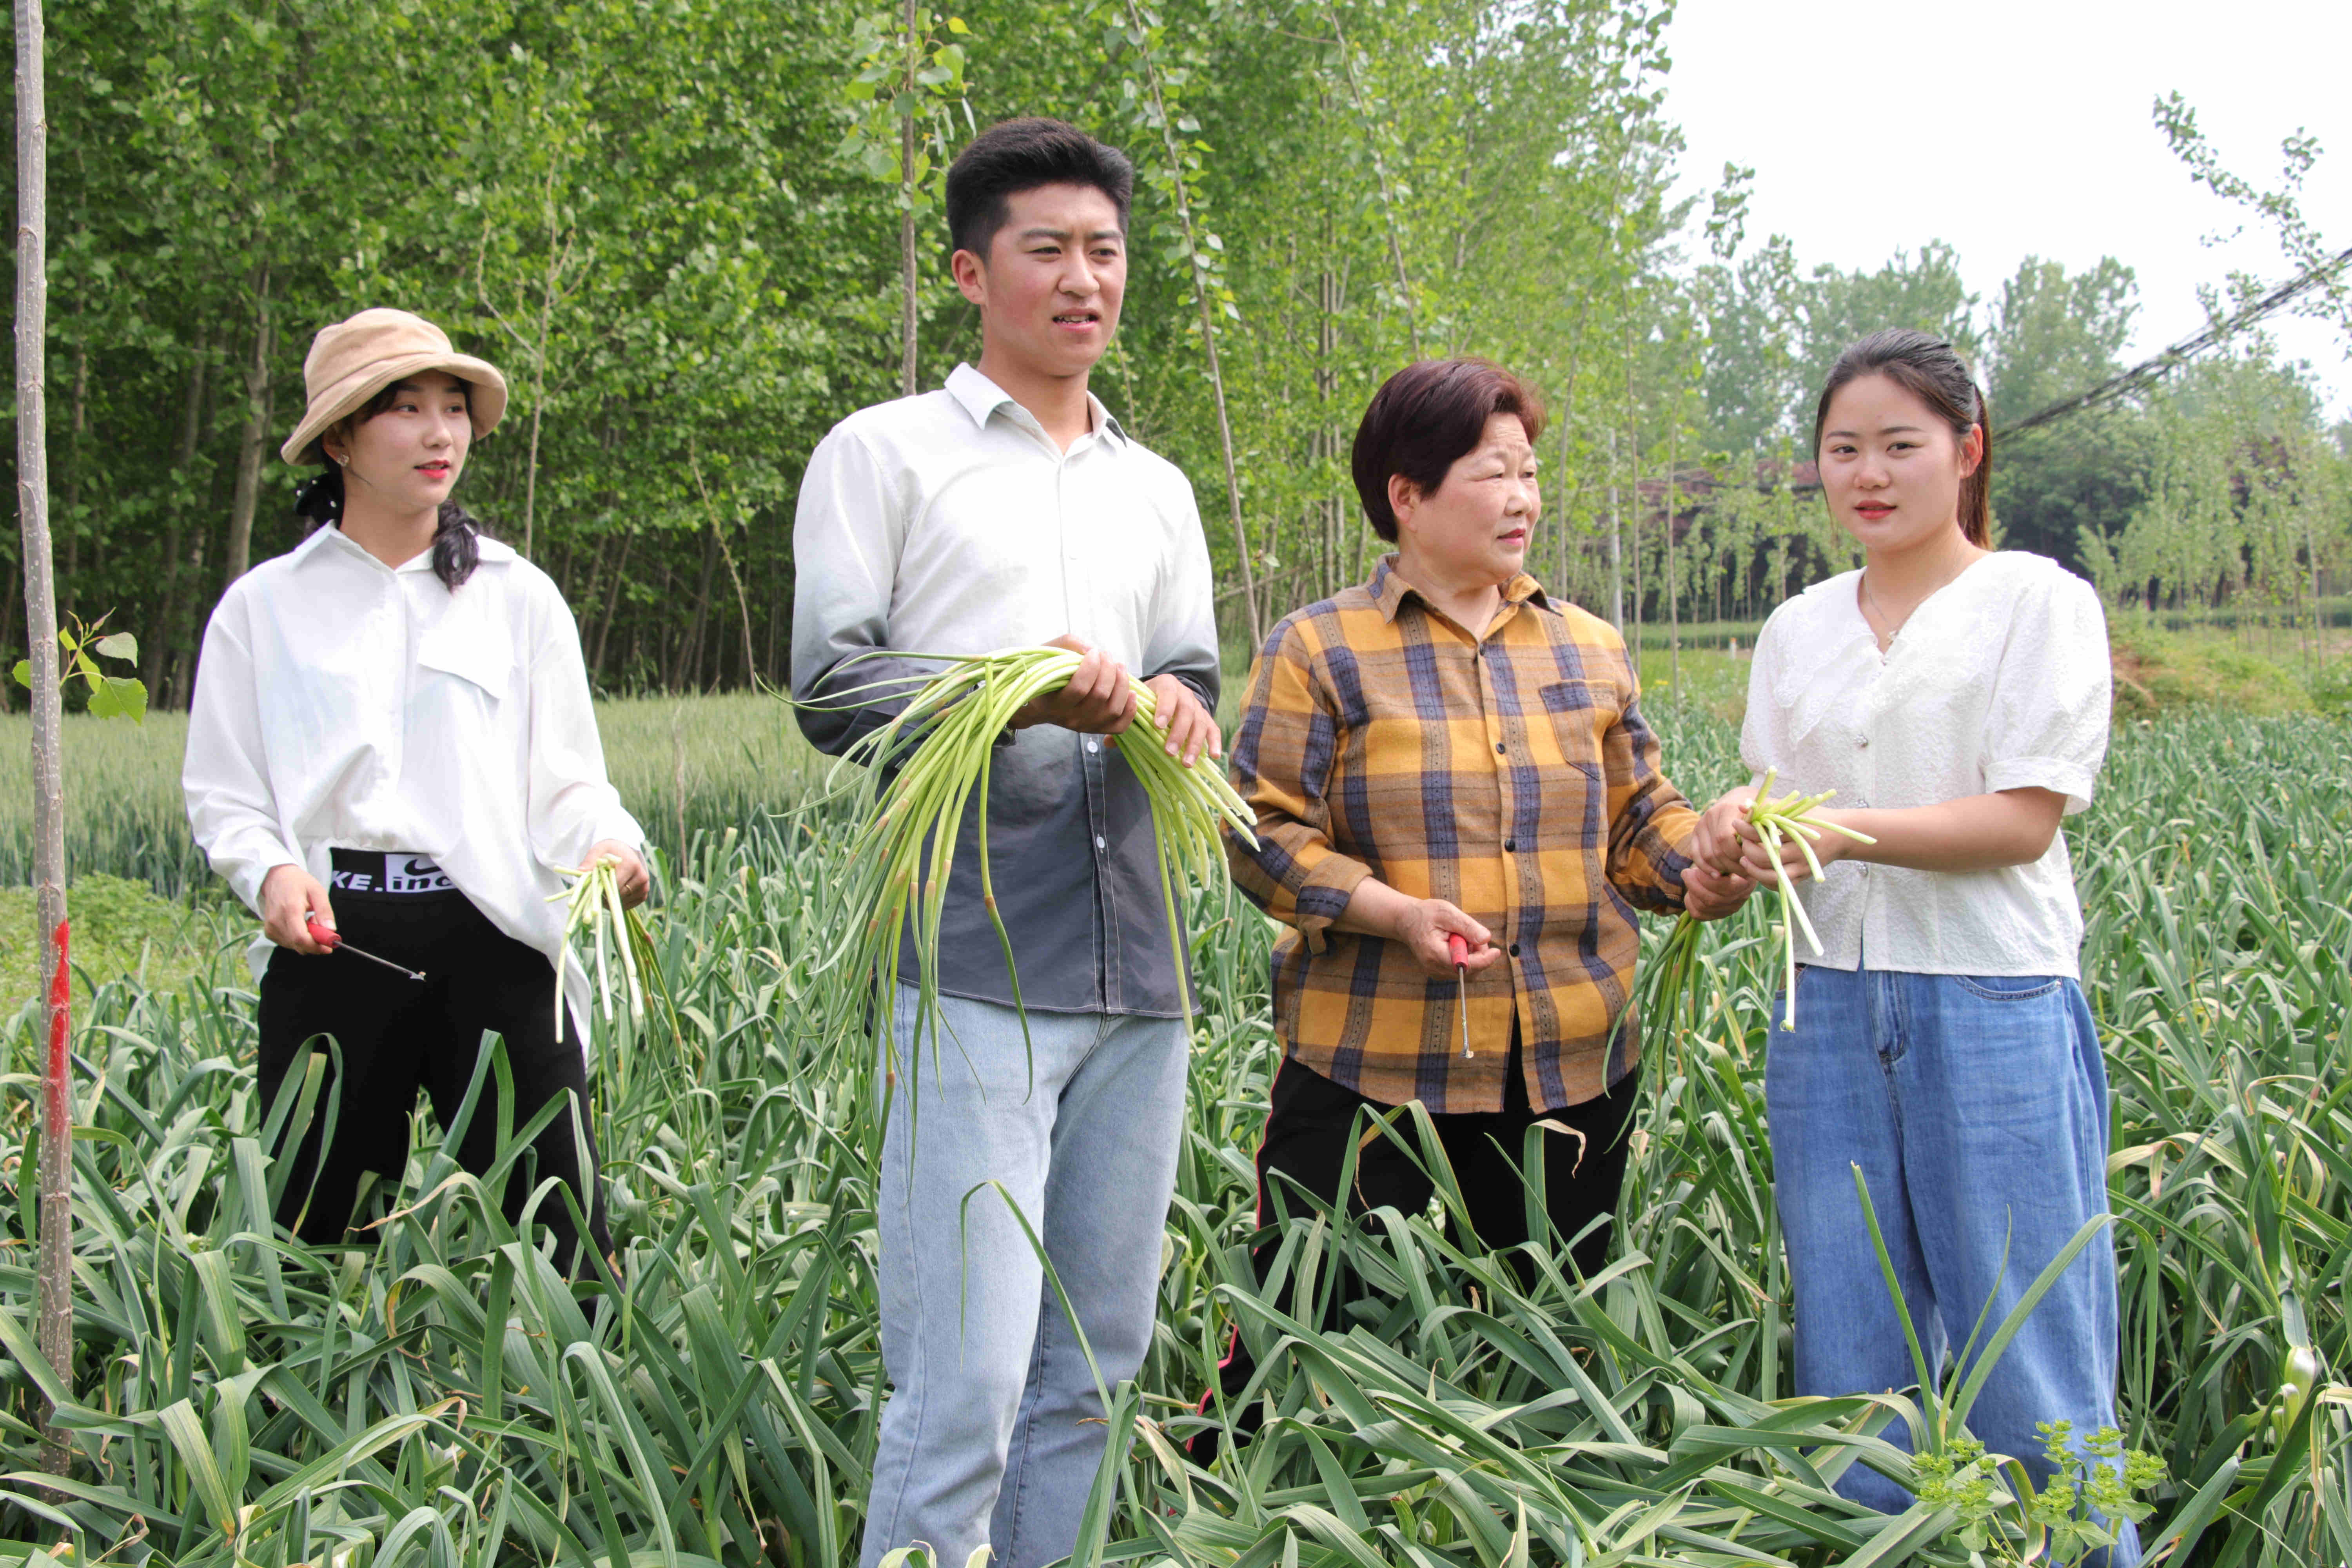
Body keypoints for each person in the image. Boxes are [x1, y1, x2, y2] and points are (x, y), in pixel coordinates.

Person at [789, 118, 1221, 1568]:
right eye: (1048, 250)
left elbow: (1195, 687)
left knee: (1094, 1364)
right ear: (975, 271)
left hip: (1137, 965)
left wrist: (1164, 706)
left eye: (1105, 252)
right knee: (965, 1379)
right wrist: (1017, 690)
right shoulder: (885, 454)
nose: (1082, 279)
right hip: (972, 960)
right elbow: (834, 685)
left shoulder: (1153, 488)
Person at [1207, 358, 1751, 1447]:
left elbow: (1639, 823)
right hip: (1375, 1071)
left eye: (1530, 472)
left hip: (1571, 1065)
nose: (1522, 498)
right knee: (1305, 1348)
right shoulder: (1319, 647)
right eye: (1491, 473)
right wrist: (1393, 913)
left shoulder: (1586, 646)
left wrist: (1710, 862)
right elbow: (1256, 833)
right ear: (1405, 494)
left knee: (1552, 1355)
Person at [1691, 328, 2134, 1561]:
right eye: (1844, 449)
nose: (1869, 473)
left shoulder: (2035, 601)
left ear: (1967, 449)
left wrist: (1839, 832)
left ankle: (2084, 1547)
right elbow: (1779, 816)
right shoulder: (1799, 627)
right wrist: (1734, 844)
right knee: (1852, 1348)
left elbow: (2022, 818)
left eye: (1901, 444)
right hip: (1825, 1001)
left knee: (2027, 1340)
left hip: (1990, 996)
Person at [183, 307, 648, 1278]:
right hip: (335, 944)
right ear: (341, 438)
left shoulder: (518, 596)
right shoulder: (264, 608)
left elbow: (568, 780)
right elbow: (226, 791)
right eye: (404, 409)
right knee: (315, 1237)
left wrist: (609, 846)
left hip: (498, 939)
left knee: (568, 1235)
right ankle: (318, 1427)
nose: (441, 433)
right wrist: (269, 872)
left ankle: (584, 1420)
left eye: (454, 408)